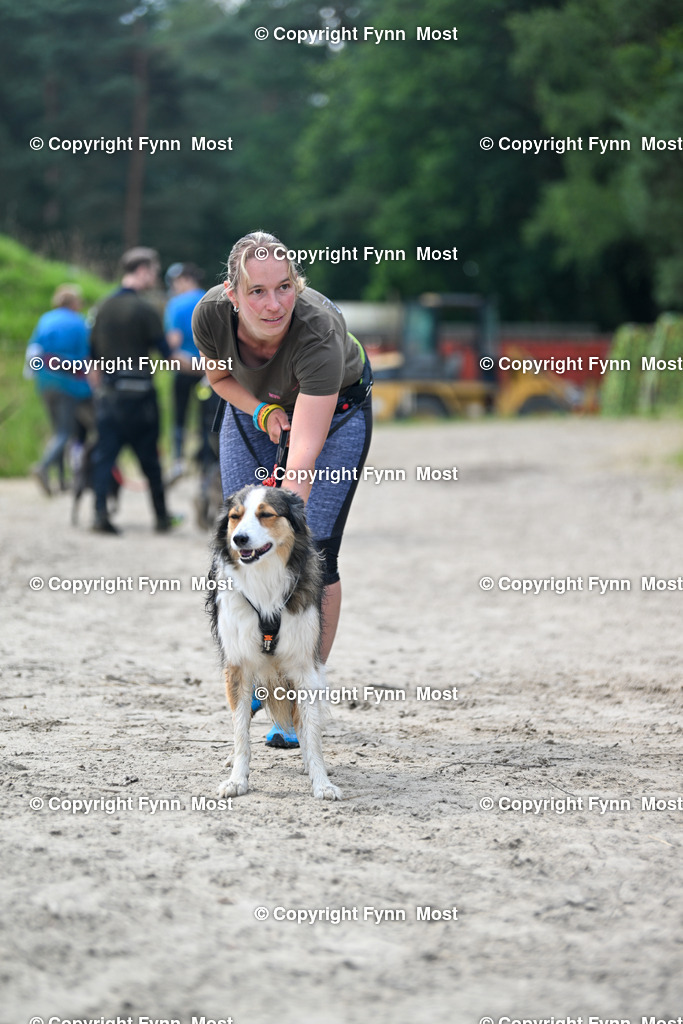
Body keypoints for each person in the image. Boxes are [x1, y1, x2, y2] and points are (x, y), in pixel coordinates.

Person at [192, 230, 373, 747]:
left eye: (285, 287)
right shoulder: (208, 314)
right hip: (253, 410)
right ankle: (247, 672)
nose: (274, 305)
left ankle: (296, 695)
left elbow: (304, 456)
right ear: (233, 293)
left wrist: (279, 518)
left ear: (298, 284)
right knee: (239, 542)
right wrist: (262, 410)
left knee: (312, 550)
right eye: (257, 292)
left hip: (334, 418)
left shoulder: (317, 330)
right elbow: (220, 380)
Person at [88, 246, 179, 535]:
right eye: (153, 270)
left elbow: (92, 359)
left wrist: (100, 393)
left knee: (105, 457)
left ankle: (100, 514)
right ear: (141, 271)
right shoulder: (144, 309)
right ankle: (162, 518)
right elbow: (167, 354)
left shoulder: (101, 308)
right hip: (141, 397)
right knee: (150, 461)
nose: (155, 275)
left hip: (111, 395)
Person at [25, 284, 92, 495]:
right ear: (73, 303)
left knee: (58, 431)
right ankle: (43, 467)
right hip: (68, 382)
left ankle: (61, 480)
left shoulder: (46, 319)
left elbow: (34, 349)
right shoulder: (79, 323)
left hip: (44, 380)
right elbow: (85, 356)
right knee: (66, 432)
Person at [164, 262, 208, 480]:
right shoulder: (211, 299)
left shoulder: (176, 304)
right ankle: (205, 462)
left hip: (183, 369)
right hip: (210, 373)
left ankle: (178, 460)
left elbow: (173, 341)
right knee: (206, 418)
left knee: (179, 416)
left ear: (184, 279)